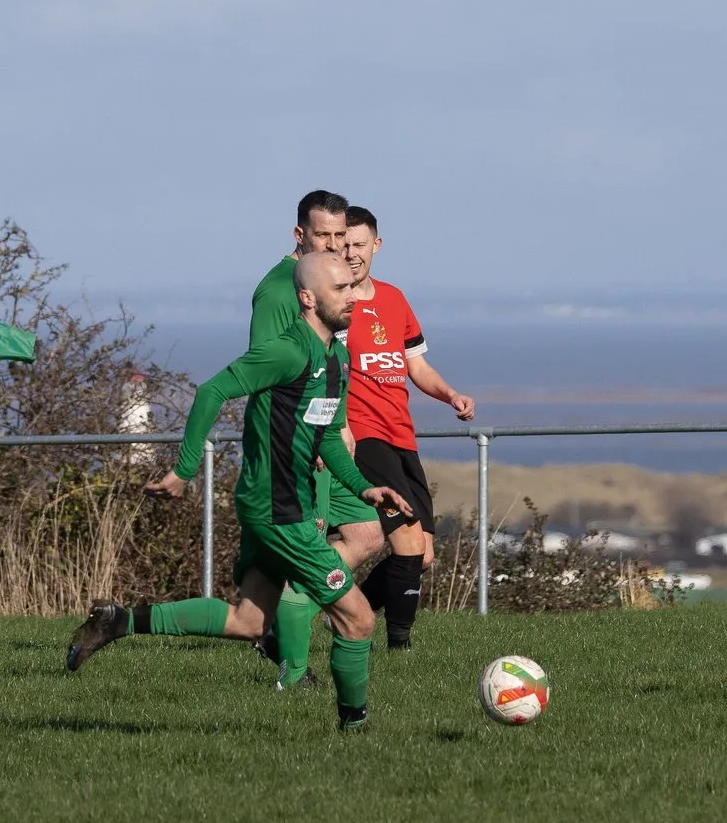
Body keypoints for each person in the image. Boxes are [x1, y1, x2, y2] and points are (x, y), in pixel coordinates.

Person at [66, 251, 408, 730]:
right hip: (278, 510)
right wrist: (184, 470)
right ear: (308, 298)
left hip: (286, 504)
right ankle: (355, 730)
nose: (353, 296)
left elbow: (328, 437)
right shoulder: (289, 351)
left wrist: (365, 489)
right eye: (340, 289)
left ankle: (119, 621)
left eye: (353, 287)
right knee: (358, 619)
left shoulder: (336, 356)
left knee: (248, 620)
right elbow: (212, 391)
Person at [245, 190, 385, 690]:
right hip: (294, 454)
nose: (335, 246)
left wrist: (337, 420)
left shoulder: (331, 282)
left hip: (325, 437)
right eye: (323, 235)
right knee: (289, 565)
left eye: (340, 236)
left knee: (368, 534)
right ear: (299, 235)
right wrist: (304, 437)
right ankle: (293, 668)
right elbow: (263, 380)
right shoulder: (278, 291)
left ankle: (293, 621)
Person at [336, 205, 474, 649]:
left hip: (401, 436)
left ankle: (343, 607)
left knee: (424, 554)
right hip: (365, 436)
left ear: (376, 245)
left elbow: (415, 363)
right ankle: (400, 647)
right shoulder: (334, 303)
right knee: (408, 546)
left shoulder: (394, 299)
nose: (351, 252)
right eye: (344, 243)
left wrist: (451, 394)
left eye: (359, 244)